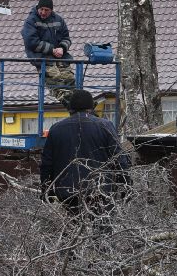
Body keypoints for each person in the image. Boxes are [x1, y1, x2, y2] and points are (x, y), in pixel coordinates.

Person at [40, 89, 131, 220]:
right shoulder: (105, 125)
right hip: (100, 191)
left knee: (73, 233)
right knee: (102, 233)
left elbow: (46, 164)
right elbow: (119, 158)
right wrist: (125, 184)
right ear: (91, 107)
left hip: (67, 193)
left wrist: (46, 190)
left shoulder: (56, 129)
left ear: (70, 108)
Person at [22, 0, 75, 100]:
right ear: (38, 8)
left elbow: (67, 38)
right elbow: (31, 42)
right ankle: (72, 105)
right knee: (56, 81)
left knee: (70, 80)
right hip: (43, 59)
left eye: (46, 10)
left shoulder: (59, 20)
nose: (43, 12)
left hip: (61, 59)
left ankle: (82, 105)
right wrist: (52, 50)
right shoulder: (31, 21)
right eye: (41, 9)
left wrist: (62, 48)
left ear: (51, 10)